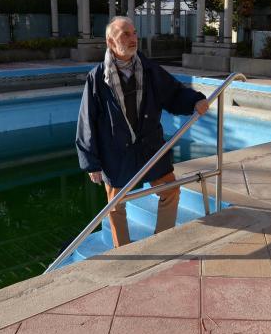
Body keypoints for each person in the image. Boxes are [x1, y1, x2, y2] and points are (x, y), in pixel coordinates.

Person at [76, 16, 210, 247]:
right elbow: (87, 121)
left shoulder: (149, 70)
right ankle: (123, 250)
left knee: (170, 190)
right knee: (115, 205)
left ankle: (162, 239)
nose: (133, 38)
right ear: (110, 42)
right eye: (125, 34)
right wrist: (91, 163)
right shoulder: (97, 78)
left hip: (149, 147)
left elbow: (174, 93)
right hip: (116, 152)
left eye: (134, 33)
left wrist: (195, 100)